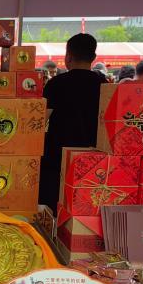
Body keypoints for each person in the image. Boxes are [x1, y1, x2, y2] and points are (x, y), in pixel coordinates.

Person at [39, 33, 106, 211]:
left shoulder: (56, 84)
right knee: (85, 209)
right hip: (94, 160)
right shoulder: (104, 84)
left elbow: (41, 119)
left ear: (68, 57)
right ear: (93, 57)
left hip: (57, 159)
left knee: (54, 209)